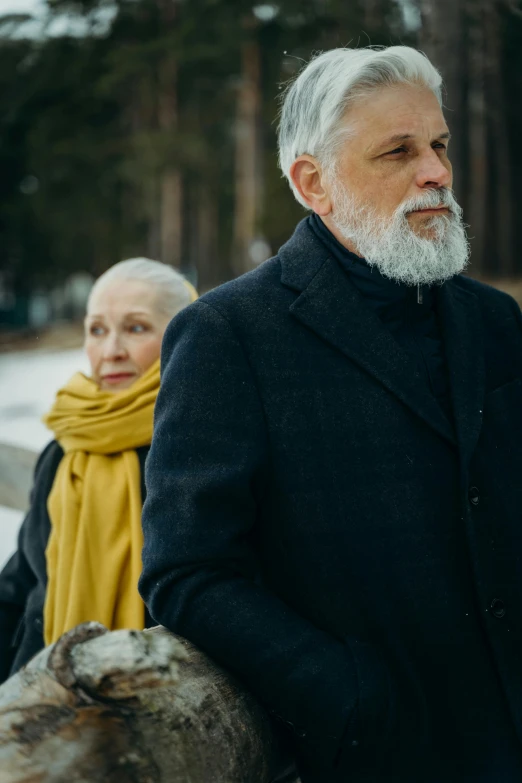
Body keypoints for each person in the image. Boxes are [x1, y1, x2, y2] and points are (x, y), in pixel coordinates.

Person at [139, 46, 522, 783]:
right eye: (399, 151)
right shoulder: (230, 334)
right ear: (313, 182)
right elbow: (187, 570)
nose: (437, 171)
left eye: (439, 145)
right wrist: (341, 693)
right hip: (382, 756)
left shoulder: (496, 322)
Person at [0, 258, 197, 684]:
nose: (111, 352)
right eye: (97, 330)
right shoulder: (65, 447)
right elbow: (20, 586)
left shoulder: (202, 447)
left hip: (161, 705)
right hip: (39, 693)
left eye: (137, 328)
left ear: (185, 333)